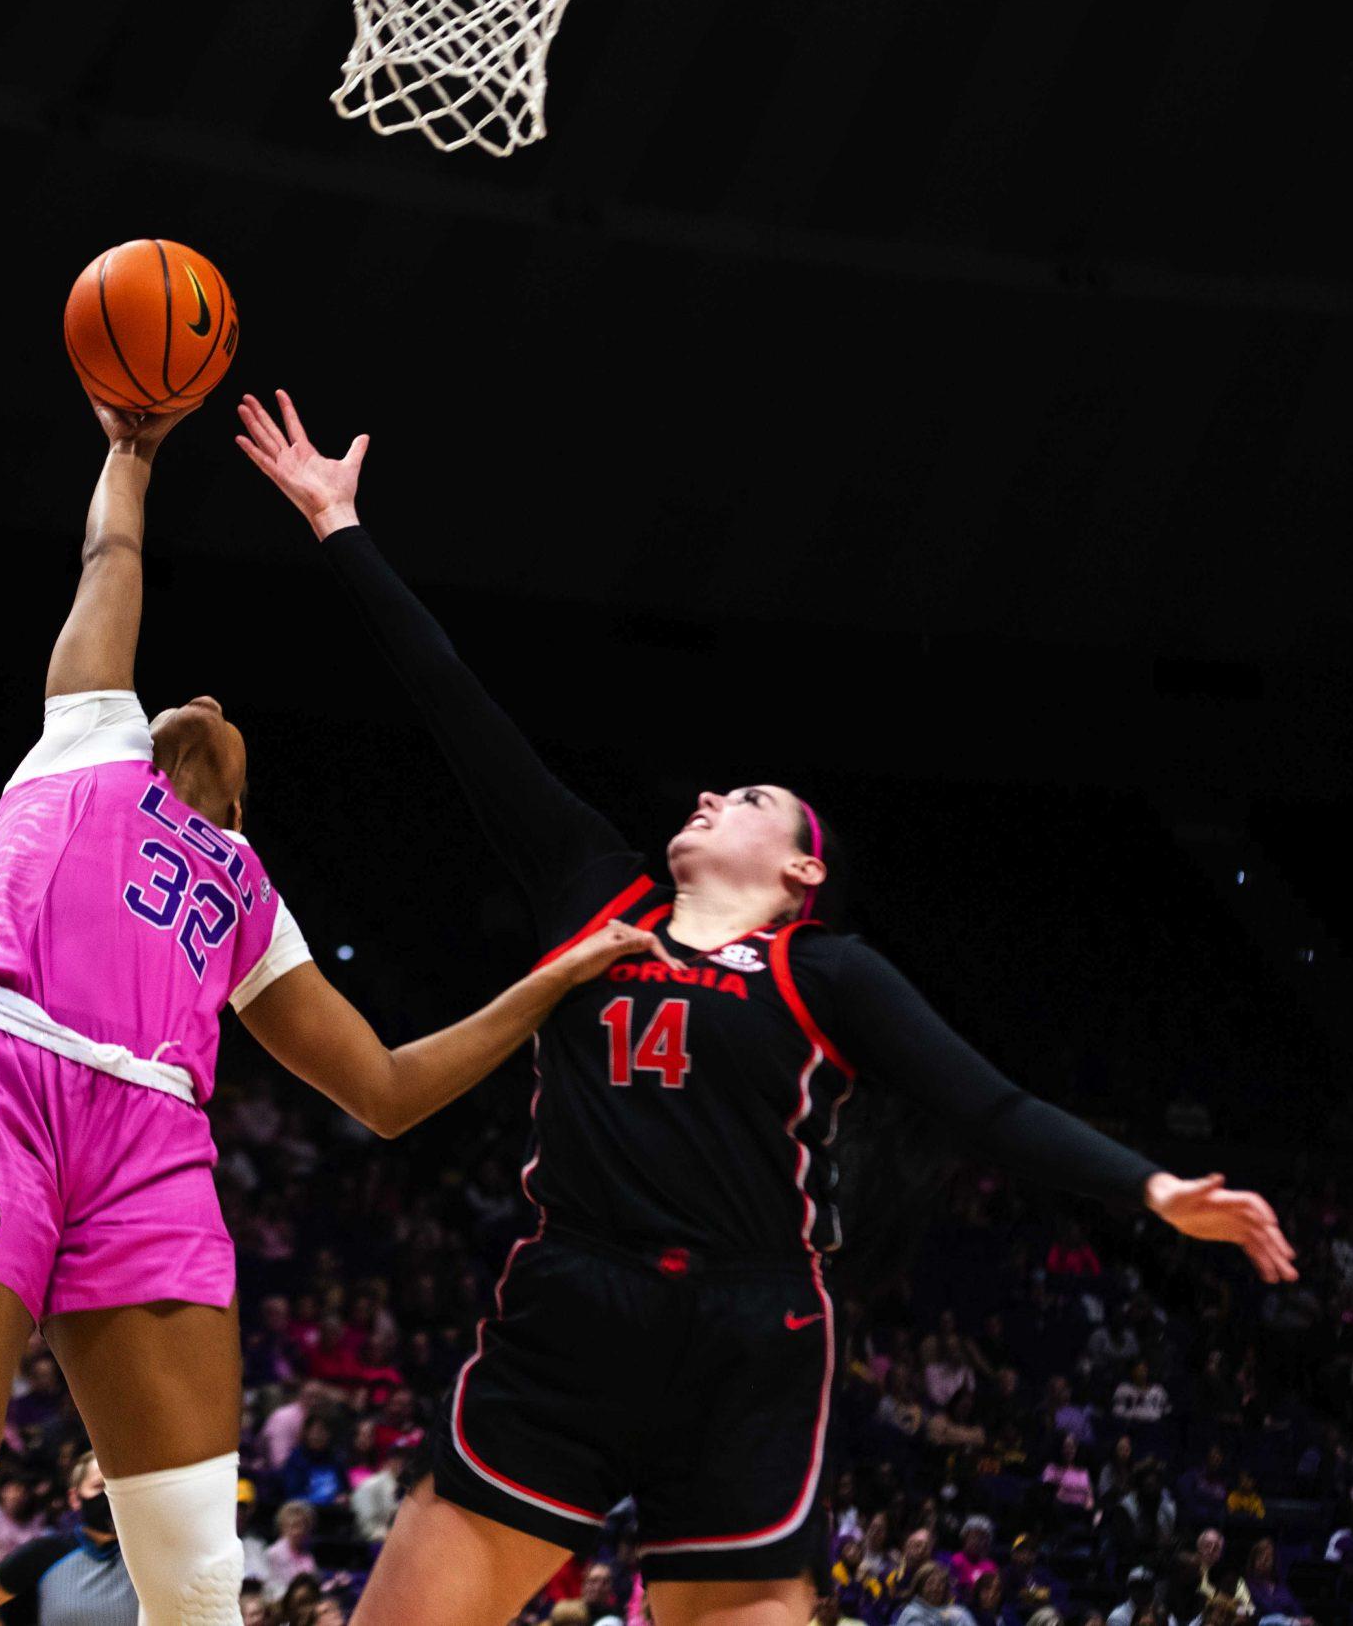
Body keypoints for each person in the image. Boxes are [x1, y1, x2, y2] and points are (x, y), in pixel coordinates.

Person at [235, 387, 1295, 1626]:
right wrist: (339, 528)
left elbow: (989, 1106)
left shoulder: (827, 971)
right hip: (570, 1308)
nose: (711, 797)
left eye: (747, 797)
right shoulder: (593, 892)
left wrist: (1155, 1191)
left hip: (750, 1335)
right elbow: (457, 704)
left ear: (801, 868)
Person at [0, 400, 669, 1626]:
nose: (211, 697)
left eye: (235, 716)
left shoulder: (252, 901)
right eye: (195, 698)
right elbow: (109, 560)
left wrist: (545, 986)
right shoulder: (90, 734)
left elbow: (382, 1092)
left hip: (151, 1143)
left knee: (202, 1574)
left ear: (243, 804)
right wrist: (131, 448)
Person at [0, 1454, 136, 1626]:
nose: (112, 1495)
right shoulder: (47, 1551)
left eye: (121, 1486)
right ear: (74, 1497)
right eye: (100, 1486)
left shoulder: (153, 1550)